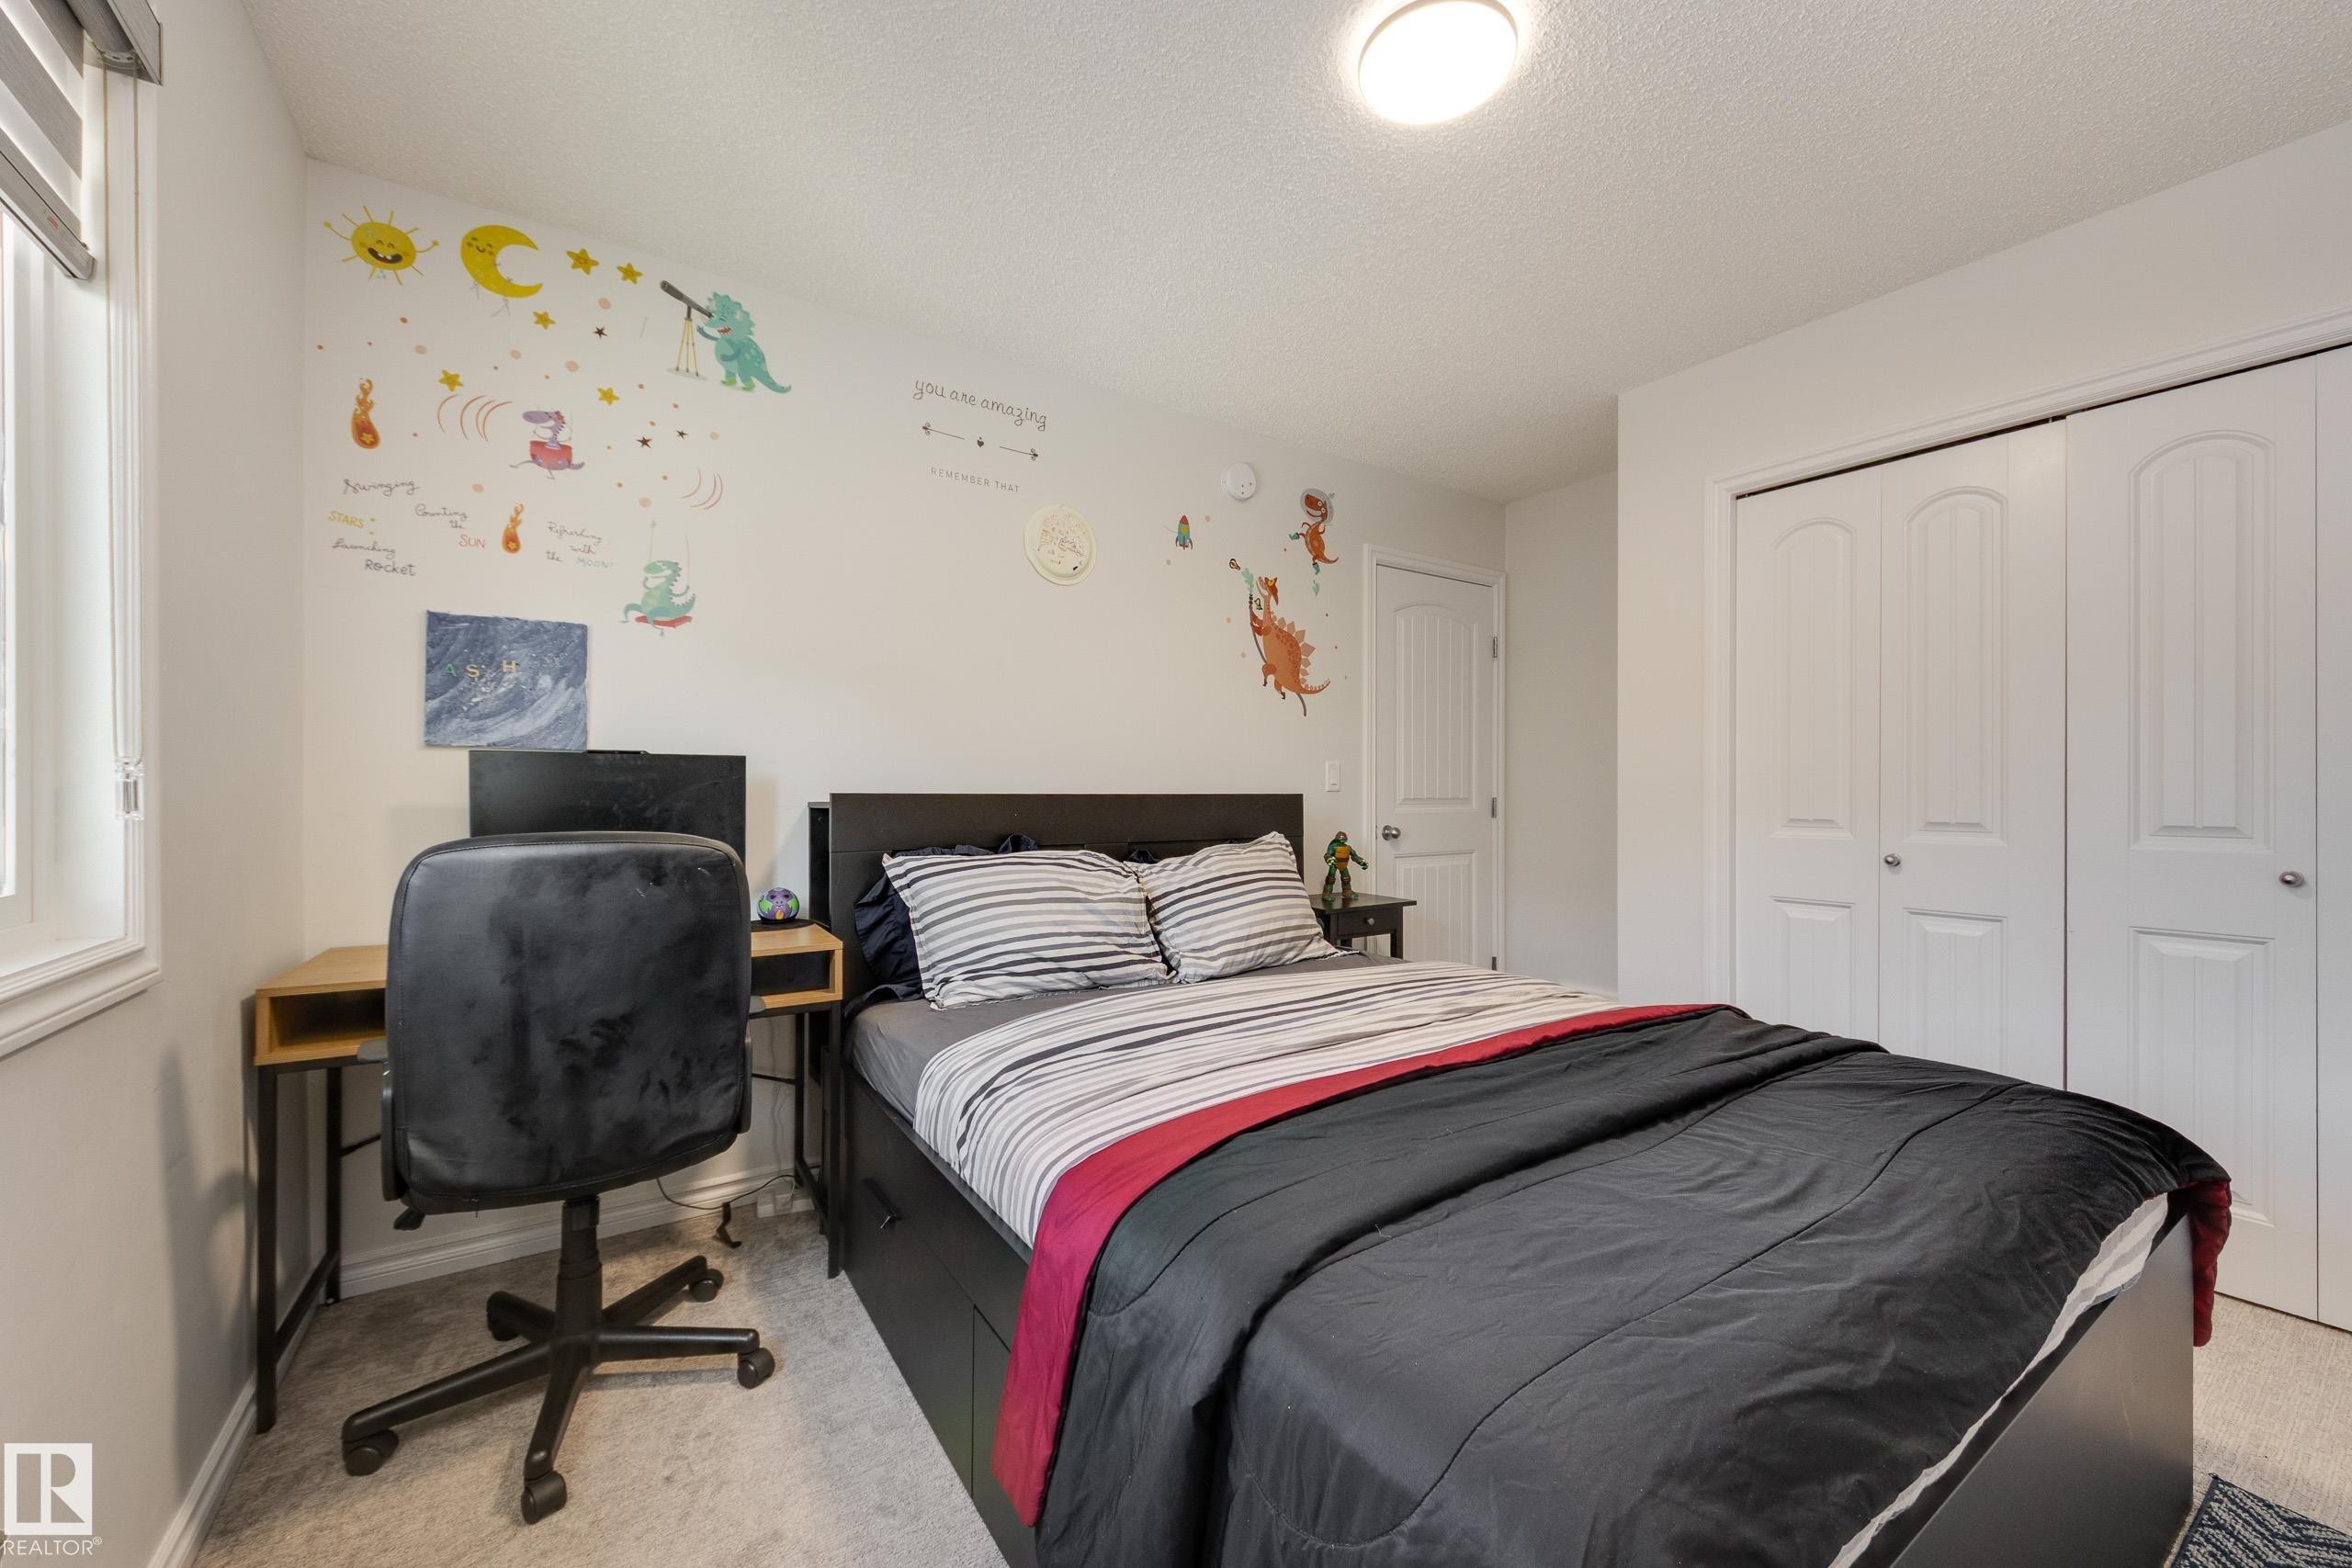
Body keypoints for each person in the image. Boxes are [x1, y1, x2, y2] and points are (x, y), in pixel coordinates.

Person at [1322, 830, 1369, 899]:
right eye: (1341, 838)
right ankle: (1327, 893)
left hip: (1344, 865)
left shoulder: (1348, 848)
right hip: (1334, 864)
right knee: (1330, 879)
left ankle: (1347, 891)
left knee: (1346, 879)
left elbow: (1355, 856)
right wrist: (1330, 859)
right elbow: (1328, 855)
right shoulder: (1333, 846)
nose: (1342, 840)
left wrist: (1362, 862)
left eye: (1344, 838)